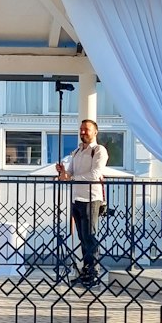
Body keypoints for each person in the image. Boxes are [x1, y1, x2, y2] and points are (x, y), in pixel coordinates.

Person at [57, 119, 109, 284]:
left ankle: (94, 273)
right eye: (81, 129)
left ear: (95, 132)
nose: (83, 132)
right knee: (82, 237)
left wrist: (72, 178)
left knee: (90, 236)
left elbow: (95, 175)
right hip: (77, 198)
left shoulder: (99, 150)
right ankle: (86, 271)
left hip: (91, 199)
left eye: (86, 130)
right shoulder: (78, 151)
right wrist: (64, 173)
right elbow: (70, 172)